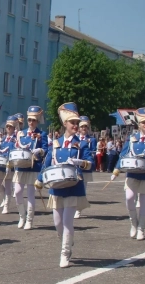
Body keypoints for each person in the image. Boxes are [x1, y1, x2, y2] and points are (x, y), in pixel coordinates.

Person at [35, 102, 93, 268]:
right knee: (57, 223)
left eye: (77, 123)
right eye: (72, 122)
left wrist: (81, 162)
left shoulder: (81, 144)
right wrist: (39, 179)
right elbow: (47, 163)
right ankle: (67, 240)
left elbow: (90, 163)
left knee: (67, 222)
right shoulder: (56, 143)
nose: (75, 125)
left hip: (74, 186)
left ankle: (65, 253)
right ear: (64, 124)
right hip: (57, 187)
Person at [110, 107, 145, 240]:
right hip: (132, 173)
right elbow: (123, 154)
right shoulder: (132, 138)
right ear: (139, 124)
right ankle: (133, 222)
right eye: (143, 122)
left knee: (144, 201)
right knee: (129, 198)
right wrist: (116, 170)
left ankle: (141, 228)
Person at [12, 106, 48, 230]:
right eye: (29, 120)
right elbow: (18, 147)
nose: (31, 122)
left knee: (31, 194)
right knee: (17, 191)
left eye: (34, 120)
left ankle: (29, 219)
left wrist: (40, 150)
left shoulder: (42, 133)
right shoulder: (22, 133)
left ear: (38, 121)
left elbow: (46, 149)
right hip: (22, 165)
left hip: (34, 166)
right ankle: (22, 216)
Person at [0, 116, 17, 214]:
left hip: (9, 164)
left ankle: (6, 205)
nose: (8, 128)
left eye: (10, 127)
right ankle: (4, 198)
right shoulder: (2, 139)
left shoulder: (15, 139)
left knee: (8, 186)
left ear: (14, 128)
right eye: (7, 126)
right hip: (0, 163)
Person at [74, 116, 97, 219]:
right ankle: (73, 207)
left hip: (85, 166)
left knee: (83, 188)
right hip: (75, 167)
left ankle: (79, 209)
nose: (84, 128)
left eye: (85, 127)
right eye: (82, 126)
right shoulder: (75, 138)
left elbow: (93, 152)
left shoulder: (91, 139)